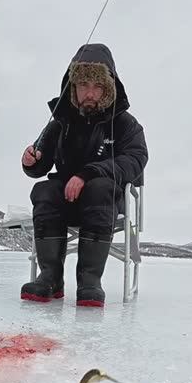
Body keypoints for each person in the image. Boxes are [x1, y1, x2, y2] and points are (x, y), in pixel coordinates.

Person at [20, 42, 148, 307]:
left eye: (97, 86)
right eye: (83, 85)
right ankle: (50, 278)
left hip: (105, 204)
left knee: (100, 187)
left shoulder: (125, 124)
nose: (90, 93)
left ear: (108, 89)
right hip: (65, 202)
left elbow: (136, 159)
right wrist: (32, 161)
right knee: (44, 190)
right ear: (73, 88)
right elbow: (40, 166)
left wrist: (88, 174)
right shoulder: (60, 123)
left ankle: (90, 282)